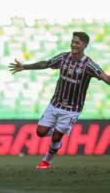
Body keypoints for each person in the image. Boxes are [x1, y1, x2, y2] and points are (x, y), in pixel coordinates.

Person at [9, 32, 110, 169]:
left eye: (77, 43)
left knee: (56, 137)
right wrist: (25, 67)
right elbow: (46, 63)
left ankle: (46, 161)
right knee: (40, 133)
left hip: (72, 109)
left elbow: (105, 78)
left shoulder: (89, 65)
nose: (73, 45)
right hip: (55, 103)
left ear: (84, 46)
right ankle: (57, 132)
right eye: (73, 41)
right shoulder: (63, 57)